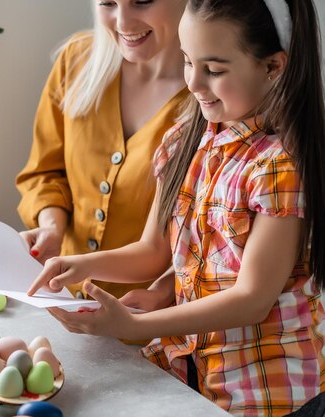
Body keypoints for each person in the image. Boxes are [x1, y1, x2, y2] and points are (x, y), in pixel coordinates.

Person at [27, 0, 325, 415]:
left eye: (215, 70)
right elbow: (153, 253)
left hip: (266, 393)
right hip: (194, 375)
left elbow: (252, 298)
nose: (195, 83)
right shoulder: (187, 137)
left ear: (273, 67)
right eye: (188, 62)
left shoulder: (279, 167)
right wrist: (79, 264)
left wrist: (134, 327)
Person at [16, 0, 189, 302]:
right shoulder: (76, 60)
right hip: (60, 302)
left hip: (152, 325)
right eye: (108, 3)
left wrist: (162, 293)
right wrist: (51, 228)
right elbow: (45, 172)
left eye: (142, 2)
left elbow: (214, 231)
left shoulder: (213, 97)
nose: (123, 23)